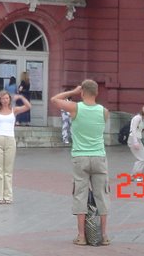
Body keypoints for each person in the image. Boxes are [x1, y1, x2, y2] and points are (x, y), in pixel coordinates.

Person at [51, 80, 110, 246]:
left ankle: (81, 236)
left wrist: (72, 92)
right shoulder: (104, 111)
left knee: (80, 195)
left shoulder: (75, 108)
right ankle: (104, 235)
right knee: (102, 196)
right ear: (97, 93)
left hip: (80, 158)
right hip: (99, 157)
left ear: (83, 92)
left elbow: (54, 100)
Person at [0, 88, 32, 204]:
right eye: (2, 98)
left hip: (10, 139)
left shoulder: (14, 110)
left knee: (8, 170)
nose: (5, 100)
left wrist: (21, 97)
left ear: (10, 99)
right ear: (0, 100)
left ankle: (8, 196)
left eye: (7, 98)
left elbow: (28, 106)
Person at [128, 104, 144, 176]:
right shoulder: (137, 118)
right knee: (141, 159)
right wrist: (135, 141)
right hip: (134, 139)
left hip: (137, 139)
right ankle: (134, 175)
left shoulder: (141, 119)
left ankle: (138, 174)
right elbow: (133, 129)